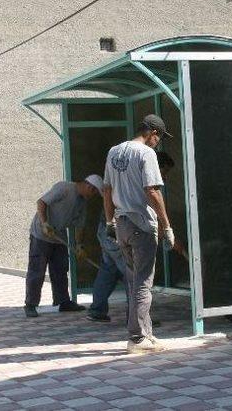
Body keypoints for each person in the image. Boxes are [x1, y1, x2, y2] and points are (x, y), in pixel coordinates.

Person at [103, 114, 175, 354]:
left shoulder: (114, 151)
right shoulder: (146, 154)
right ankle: (136, 338)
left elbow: (107, 190)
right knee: (143, 283)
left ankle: (147, 333)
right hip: (142, 225)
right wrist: (166, 226)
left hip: (122, 223)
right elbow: (152, 191)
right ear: (152, 132)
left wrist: (109, 221)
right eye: (159, 137)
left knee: (134, 282)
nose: (159, 142)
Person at [87, 151, 180, 323]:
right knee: (135, 275)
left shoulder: (129, 178)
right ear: (155, 167)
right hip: (119, 229)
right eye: (164, 172)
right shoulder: (144, 184)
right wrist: (166, 230)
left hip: (108, 230)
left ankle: (97, 311)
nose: (165, 177)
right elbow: (144, 207)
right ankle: (137, 319)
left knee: (108, 270)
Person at [24, 175, 103, 318]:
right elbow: (41, 202)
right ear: (89, 187)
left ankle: (63, 302)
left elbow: (79, 226)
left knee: (60, 269)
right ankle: (30, 304)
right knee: (37, 270)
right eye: (94, 193)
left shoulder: (82, 202)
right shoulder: (64, 188)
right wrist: (44, 223)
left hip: (58, 236)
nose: (93, 196)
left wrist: (79, 245)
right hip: (41, 234)